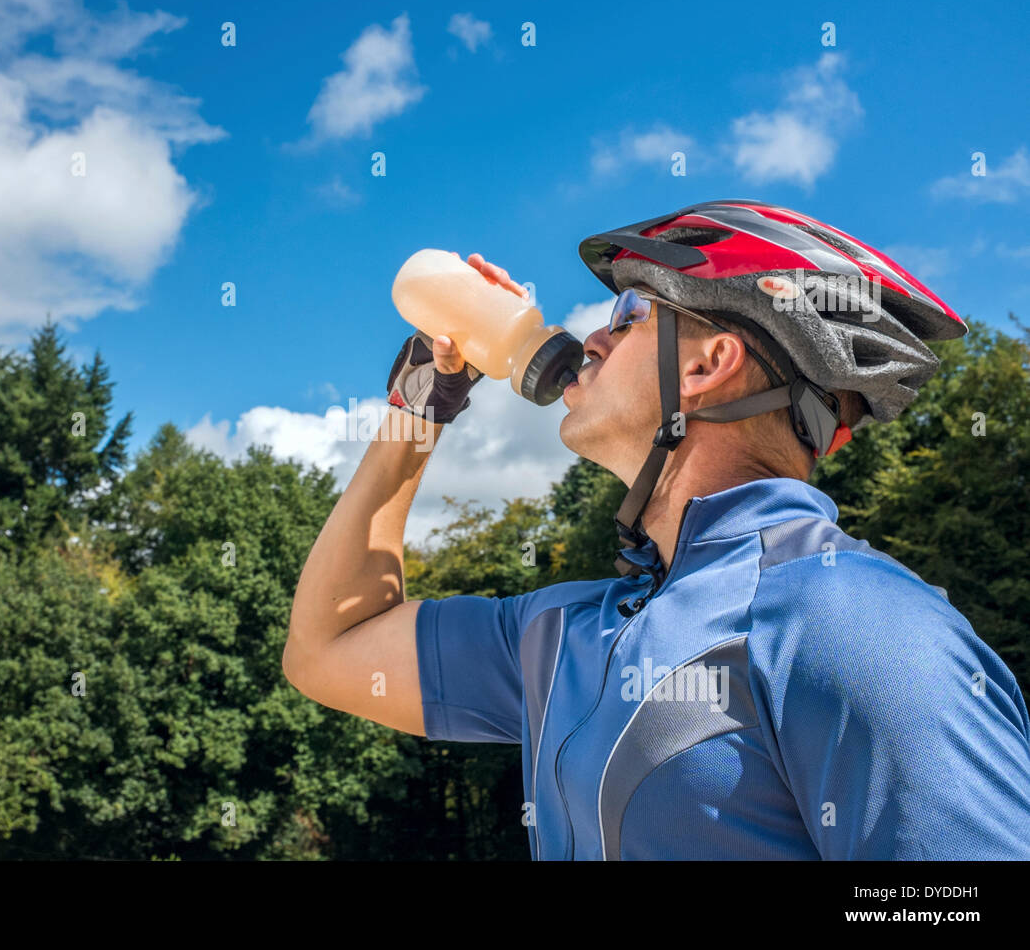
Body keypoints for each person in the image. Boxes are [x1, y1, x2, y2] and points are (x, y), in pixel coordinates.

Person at [282, 199, 1030, 859]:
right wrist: (421, 407)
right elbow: (331, 647)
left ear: (709, 364)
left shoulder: (852, 621)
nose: (593, 341)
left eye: (631, 315)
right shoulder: (565, 635)